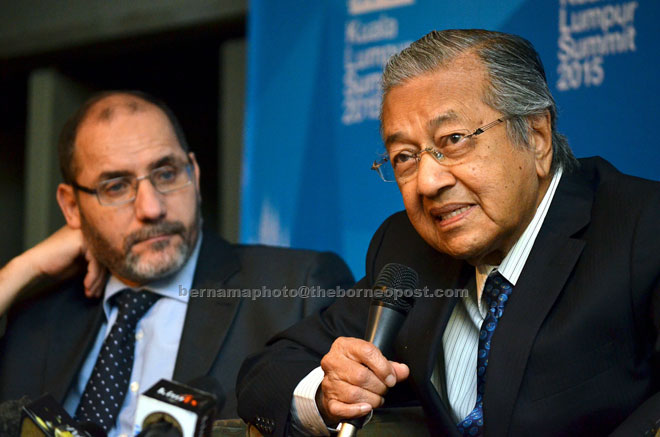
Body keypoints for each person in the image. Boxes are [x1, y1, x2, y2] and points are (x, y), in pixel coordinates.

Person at [236, 29, 660, 436]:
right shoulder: (406, 248)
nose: (427, 182)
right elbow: (268, 370)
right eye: (404, 157)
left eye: (454, 139)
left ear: (536, 137)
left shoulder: (642, 229)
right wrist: (329, 395)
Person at [0, 90, 354, 436]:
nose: (152, 208)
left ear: (194, 175)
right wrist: (20, 269)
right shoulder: (36, 317)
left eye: (166, 174)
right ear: (73, 208)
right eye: (116, 187)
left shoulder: (298, 289)